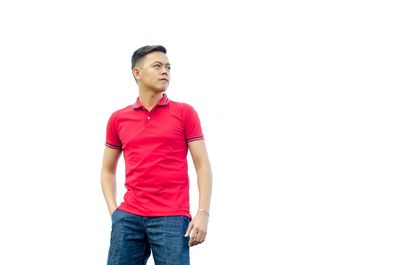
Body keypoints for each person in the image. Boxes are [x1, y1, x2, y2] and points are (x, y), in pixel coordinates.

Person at [100, 45, 213, 265]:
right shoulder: (118, 119)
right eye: (158, 66)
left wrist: (203, 212)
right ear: (137, 73)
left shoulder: (184, 113)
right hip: (128, 218)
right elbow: (107, 170)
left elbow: (203, 165)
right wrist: (115, 213)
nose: (165, 71)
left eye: (168, 67)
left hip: (172, 218)